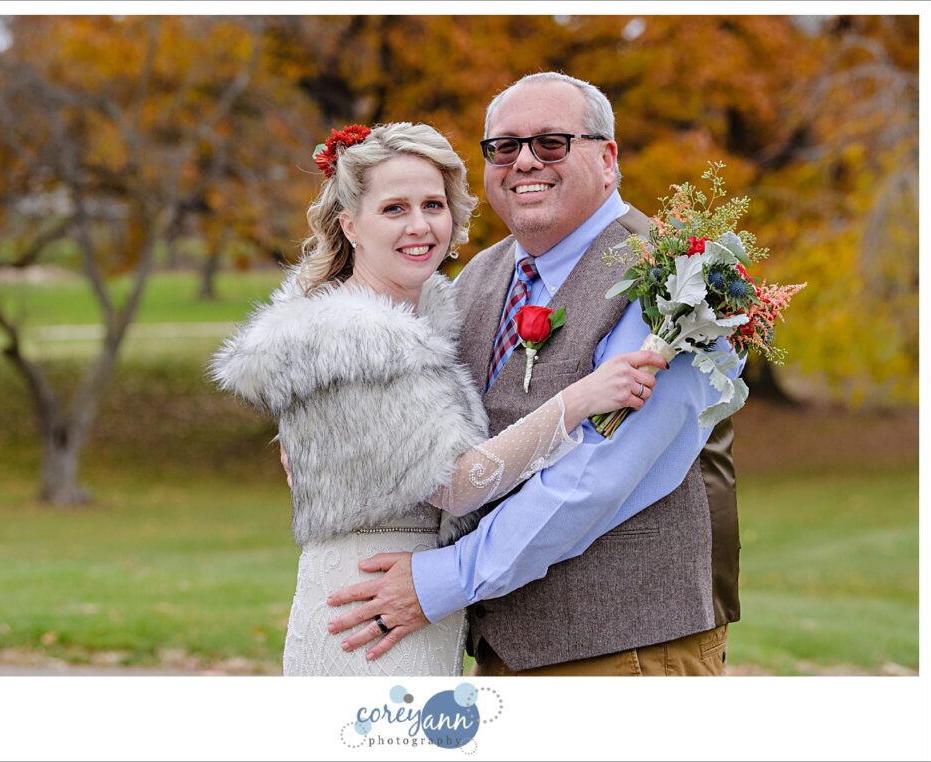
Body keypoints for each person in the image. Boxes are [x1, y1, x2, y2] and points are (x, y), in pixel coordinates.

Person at [211, 121, 668, 676]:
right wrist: (579, 398)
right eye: (394, 209)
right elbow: (456, 485)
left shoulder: (428, 318)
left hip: (412, 603)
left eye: (433, 205)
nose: (420, 225)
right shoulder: (362, 339)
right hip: (369, 608)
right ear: (350, 224)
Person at [326, 73, 742, 676]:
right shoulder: (477, 279)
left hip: (624, 649)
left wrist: (444, 580)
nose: (524, 161)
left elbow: (596, 476)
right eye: (503, 147)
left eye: (551, 142)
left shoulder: (678, 282)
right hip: (499, 644)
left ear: (607, 159)